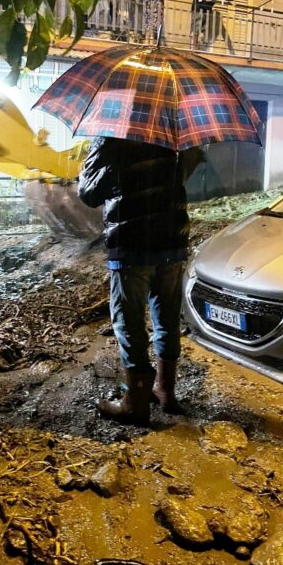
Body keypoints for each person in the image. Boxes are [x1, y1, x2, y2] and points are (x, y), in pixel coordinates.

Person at [78, 137, 204, 425]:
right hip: (172, 243)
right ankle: (166, 392)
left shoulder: (111, 139)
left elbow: (89, 193)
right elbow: (188, 166)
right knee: (168, 319)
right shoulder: (176, 135)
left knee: (129, 321)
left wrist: (91, 159)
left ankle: (135, 402)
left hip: (132, 246)